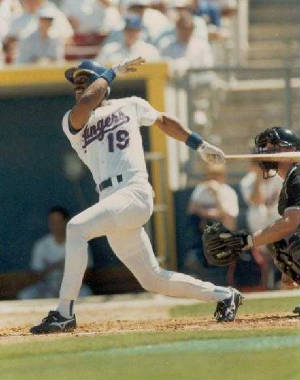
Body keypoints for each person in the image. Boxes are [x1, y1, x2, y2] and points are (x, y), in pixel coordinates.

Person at [30, 57, 243, 334]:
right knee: (152, 279)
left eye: (84, 80)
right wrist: (112, 72)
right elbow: (85, 104)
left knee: (76, 228)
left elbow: (163, 121)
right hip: (110, 201)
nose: (78, 86)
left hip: (134, 191)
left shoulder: (129, 104)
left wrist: (199, 144)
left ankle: (64, 313)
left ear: (101, 85)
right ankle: (224, 295)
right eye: (76, 82)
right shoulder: (73, 119)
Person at [203, 127, 300, 288]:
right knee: (280, 245)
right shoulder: (290, 179)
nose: (266, 153)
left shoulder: (296, 178)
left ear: (292, 150)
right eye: (266, 149)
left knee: (295, 244)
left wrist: (247, 241)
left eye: (274, 148)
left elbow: (290, 223)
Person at [18, 206, 92, 299]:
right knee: (25, 295)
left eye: (59, 222)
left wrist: (68, 267)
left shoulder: (78, 243)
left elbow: (87, 273)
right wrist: (52, 267)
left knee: (86, 293)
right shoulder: (42, 245)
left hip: (72, 287)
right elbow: (35, 275)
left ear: (67, 222)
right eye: (52, 222)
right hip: (47, 288)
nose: (56, 226)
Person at [185, 163, 239, 285]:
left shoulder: (228, 192)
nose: (211, 179)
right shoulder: (200, 189)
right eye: (209, 176)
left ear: (223, 176)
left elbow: (229, 217)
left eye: (215, 176)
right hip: (201, 234)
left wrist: (217, 195)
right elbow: (191, 209)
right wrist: (208, 213)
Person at [240, 161, 283, 289]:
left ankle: (283, 280)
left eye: (263, 164)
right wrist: (259, 178)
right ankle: (266, 283)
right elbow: (257, 200)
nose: (262, 167)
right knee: (259, 213)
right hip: (259, 224)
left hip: (279, 222)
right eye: (258, 164)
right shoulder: (247, 181)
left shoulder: (279, 177)